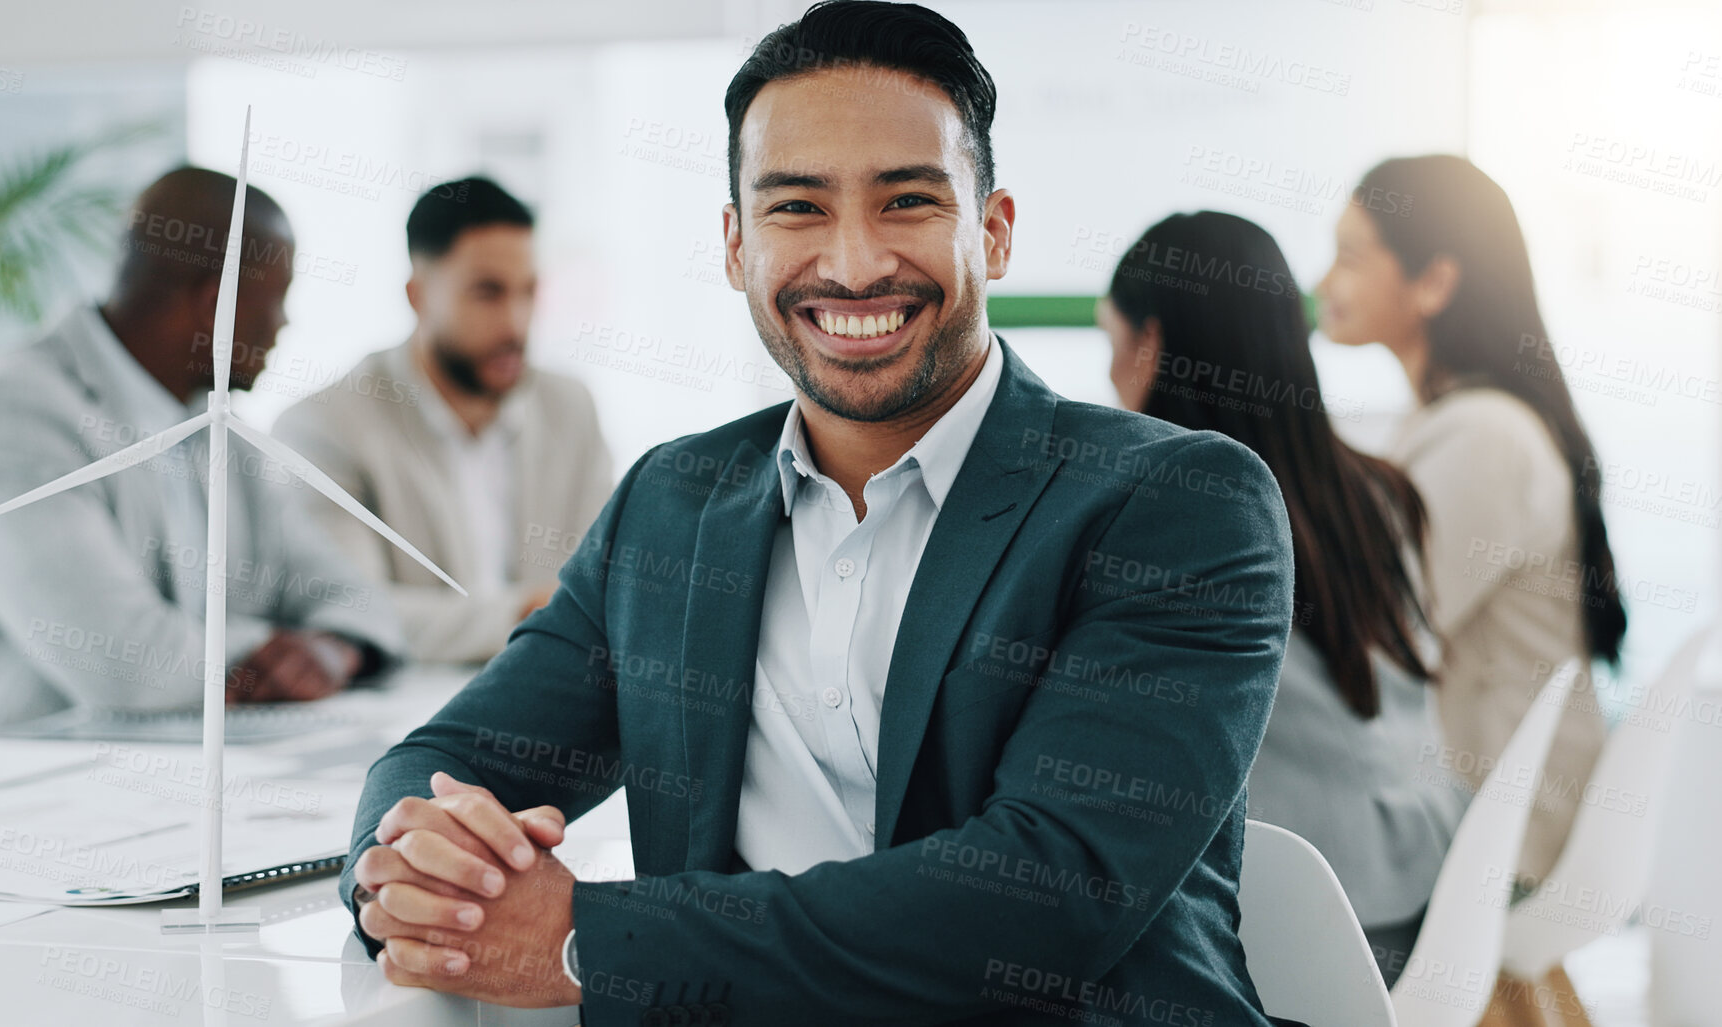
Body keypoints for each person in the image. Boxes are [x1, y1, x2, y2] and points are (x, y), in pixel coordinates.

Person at [340, 4, 1297, 1024]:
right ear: (734, 244)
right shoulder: (674, 503)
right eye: (796, 208)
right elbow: (452, 758)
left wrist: (587, 939)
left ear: (996, 231)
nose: (853, 264)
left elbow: (1045, 896)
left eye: (907, 201)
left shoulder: (1178, 503)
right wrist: (405, 870)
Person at [1098, 210, 1466, 986]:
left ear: (1150, 344)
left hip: (1308, 931)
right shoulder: (1380, 490)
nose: (1107, 377)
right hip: (1426, 894)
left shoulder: (1172, 518)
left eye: (1110, 346)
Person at [0, 168, 403, 738]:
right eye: (279, 298)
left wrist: (336, 648)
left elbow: (355, 596)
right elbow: (121, 660)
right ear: (216, 304)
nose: (286, 324)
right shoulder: (9, 414)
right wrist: (278, 650)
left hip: (161, 777)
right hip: (2, 786)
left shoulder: (219, 428)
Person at [1316, 156, 1625, 889]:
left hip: (1490, 830)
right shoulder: (1453, 422)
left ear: (1433, 282)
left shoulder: (1482, 435)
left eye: (1350, 257)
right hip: (1478, 808)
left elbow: (1381, 628)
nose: (1325, 282)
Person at [275, 177, 611, 665]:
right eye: (487, 293)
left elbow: (606, 584)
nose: (516, 323)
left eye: (528, 292)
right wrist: (529, 614)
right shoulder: (326, 426)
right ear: (418, 295)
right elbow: (352, 610)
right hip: (404, 717)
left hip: (555, 703)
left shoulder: (570, 408)